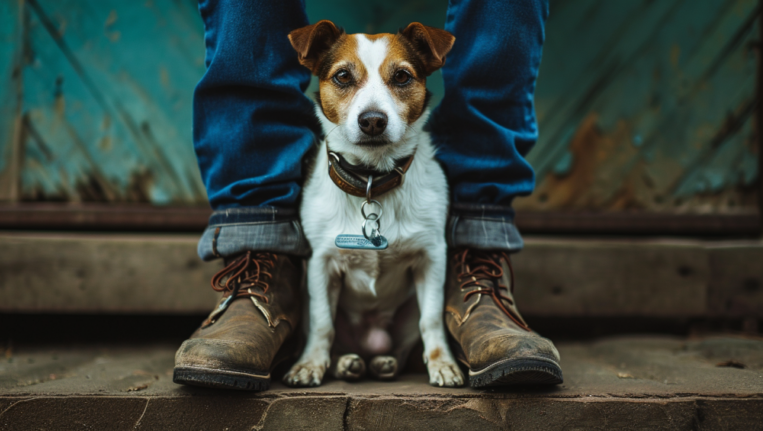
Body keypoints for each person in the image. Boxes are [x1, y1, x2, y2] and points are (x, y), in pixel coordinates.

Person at [173, 0, 562, 390]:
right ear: (319, 75)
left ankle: (474, 258)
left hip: (403, 310)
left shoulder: (430, 187)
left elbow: (427, 257)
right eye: (344, 78)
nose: (373, 112)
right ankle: (260, 257)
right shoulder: (319, 197)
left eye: (401, 79)